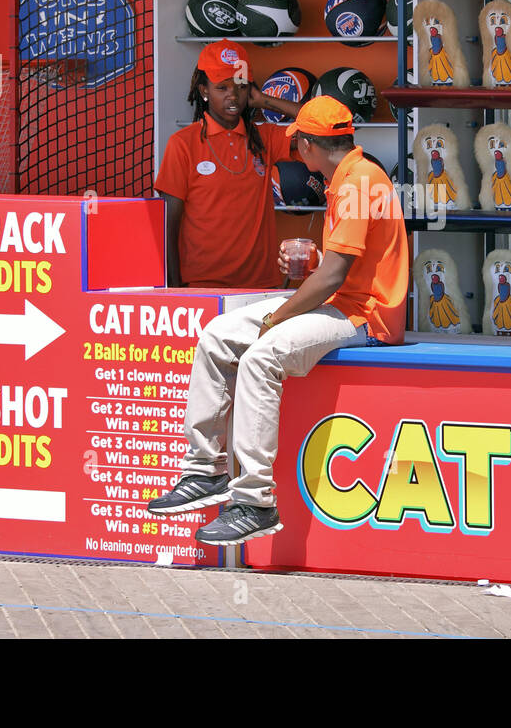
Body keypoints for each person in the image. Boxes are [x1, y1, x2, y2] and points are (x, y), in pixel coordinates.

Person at [147, 96, 409, 545]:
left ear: (308, 145)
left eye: (298, 144)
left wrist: (279, 316)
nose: (296, 152)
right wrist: (310, 262)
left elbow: (336, 279)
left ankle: (254, 502)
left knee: (261, 356)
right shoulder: (348, 175)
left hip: (367, 318)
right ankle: (206, 470)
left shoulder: (360, 179)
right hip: (343, 304)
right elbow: (338, 266)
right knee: (217, 334)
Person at [154, 39, 302, 288]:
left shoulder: (263, 137)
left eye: (241, 86)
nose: (233, 95)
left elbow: (323, 128)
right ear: (203, 91)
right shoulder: (183, 143)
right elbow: (169, 222)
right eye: (222, 87)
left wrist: (264, 101)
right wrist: (174, 287)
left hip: (260, 286)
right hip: (202, 286)